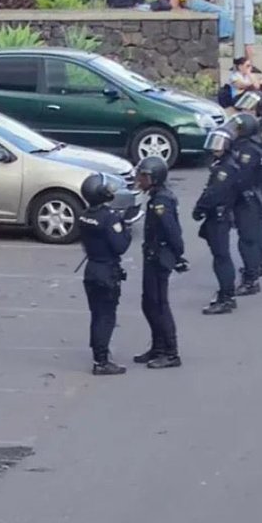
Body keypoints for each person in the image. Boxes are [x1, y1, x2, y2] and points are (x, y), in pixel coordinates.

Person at [76, 173, 132, 375]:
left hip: (91, 269)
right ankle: (101, 360)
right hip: (106, 271)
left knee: (96, 314)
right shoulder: (109, 218)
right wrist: (126, 229)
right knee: (106, 316)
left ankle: (99, 351)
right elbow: (120, 246)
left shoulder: (84, 215)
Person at [136, 156, 187, 369]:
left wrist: (177, 255)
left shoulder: (161, 202)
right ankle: (157, 347)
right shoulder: (156, 197)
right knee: (148, 303)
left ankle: (171, 352)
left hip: (159, 257)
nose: (140, 180)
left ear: (155, 178)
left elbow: (172, 231)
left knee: (159, 305)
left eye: (145, 176)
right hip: (152, 255)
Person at [192, 129, 242, 315]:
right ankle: (225, 292)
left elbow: (214, 193)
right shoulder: (223, 163)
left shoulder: (225, 169)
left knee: (221, 258)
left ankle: (227, 297)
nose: (215, 148)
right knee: (220, 257)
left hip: (219, 217)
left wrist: (199, 209)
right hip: (220, 215)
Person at [225, 111, 262, 296]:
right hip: (249, 198)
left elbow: (241, 177)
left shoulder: (248, 151)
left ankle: (251, 279)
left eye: (238, 128)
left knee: (247, 241)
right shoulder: (246, 146)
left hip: (247, 200)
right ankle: (254, 270)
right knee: (250, 237)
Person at [235, 89, 262, 281]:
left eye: (250, 108)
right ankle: (256, 261)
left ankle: (259, 262)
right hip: (251, 180)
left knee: (256, 223)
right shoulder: (249, 127)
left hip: (257, 182)